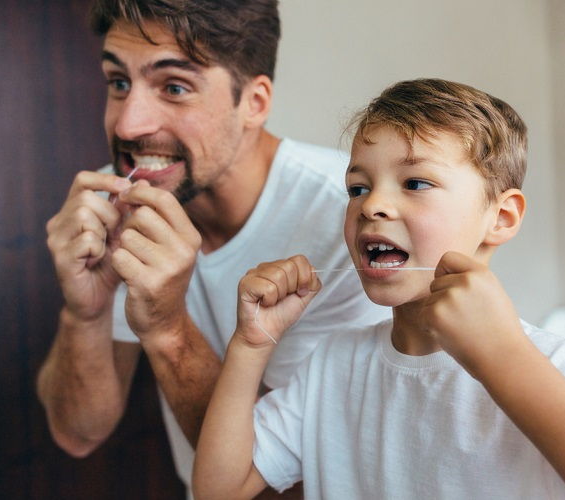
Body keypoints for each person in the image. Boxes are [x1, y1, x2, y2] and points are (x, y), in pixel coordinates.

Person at [192, 78, 565, 499]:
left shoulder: (547, 362)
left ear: (500, 217)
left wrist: (502, 359)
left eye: (414, 183)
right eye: (358, 188)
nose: (371, 206)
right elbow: (220, 489)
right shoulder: (332, 366)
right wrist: (251, 345)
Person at [36, 0, 389, 496]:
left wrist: (167, 329)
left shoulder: (353, 222)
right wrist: (85, 313)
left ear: (255, 103)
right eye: (119, 83)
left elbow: (296, 487)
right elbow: (76, 433)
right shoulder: (117, 209)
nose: (127, 126)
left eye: (174, 87)